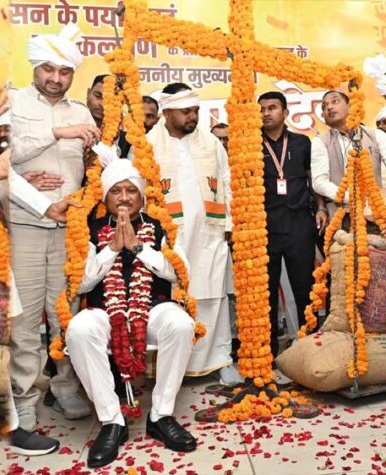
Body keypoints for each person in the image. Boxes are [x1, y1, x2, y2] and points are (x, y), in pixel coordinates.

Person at [66, 158, 197, 468]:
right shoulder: (88, 228)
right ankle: (112, 420)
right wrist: (112, 249)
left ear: (141, 195)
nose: (124, 198)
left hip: (152, 308)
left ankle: (161, 415)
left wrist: (139, 247)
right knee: (79, 330)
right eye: (116, 191)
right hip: (104, 311)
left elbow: (180, 274)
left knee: (180, 324)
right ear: (105, 197)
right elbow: (80, 283)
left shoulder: (163, 226)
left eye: (130, 191)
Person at [8, 24, 99, 431]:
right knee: (25, 318)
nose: (56, 78)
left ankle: (65, 387)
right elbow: (4, 156)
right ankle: (25, 394)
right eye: (48, 69)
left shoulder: (81, 111)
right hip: (25, 225)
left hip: (70, 230)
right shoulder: (12, 103)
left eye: (64, 72)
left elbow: (90, 167)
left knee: (67, 314)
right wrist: (57, 133)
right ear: (35, 67)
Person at [0, 88, 60, 456]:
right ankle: (16, 419)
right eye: (0, 131)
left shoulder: (26, 157)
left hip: (47, 245)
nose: (6, 136)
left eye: (12, 129)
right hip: (2, 258)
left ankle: (28, 411)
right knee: (15, 333)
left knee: (40, 327)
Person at [143, 83, 238, 383]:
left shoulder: (210, 142)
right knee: (171, 297)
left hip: (210, 233)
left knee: (213, 295)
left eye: (195, 110)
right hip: (168, 236)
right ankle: (172, 366)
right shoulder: (147, 144)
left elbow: (227, 180)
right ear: (167, 112)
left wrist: (230, 223)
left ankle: (221, 359)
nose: (193, 117)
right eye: (186, 111)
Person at [258, 91, 326, 357]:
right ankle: (267, 353)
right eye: (262, 109)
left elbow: (312, 178)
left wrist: (321, 207)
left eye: (272, 107)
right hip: (265, 226)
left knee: (304, 287)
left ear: (285, 112)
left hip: (299, 223)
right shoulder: (252, 144)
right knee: (265, 292)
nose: (266, 113)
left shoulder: (301, 142)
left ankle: (310, 350)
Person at [311, 90, 386, 234]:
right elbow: (319, 182)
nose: (329, 107)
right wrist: (351, 197)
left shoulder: (376, 135)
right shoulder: (320, 142)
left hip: (377, 212)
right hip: (342, 215)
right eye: (324, 106)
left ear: (350, 106)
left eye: (335, 101)